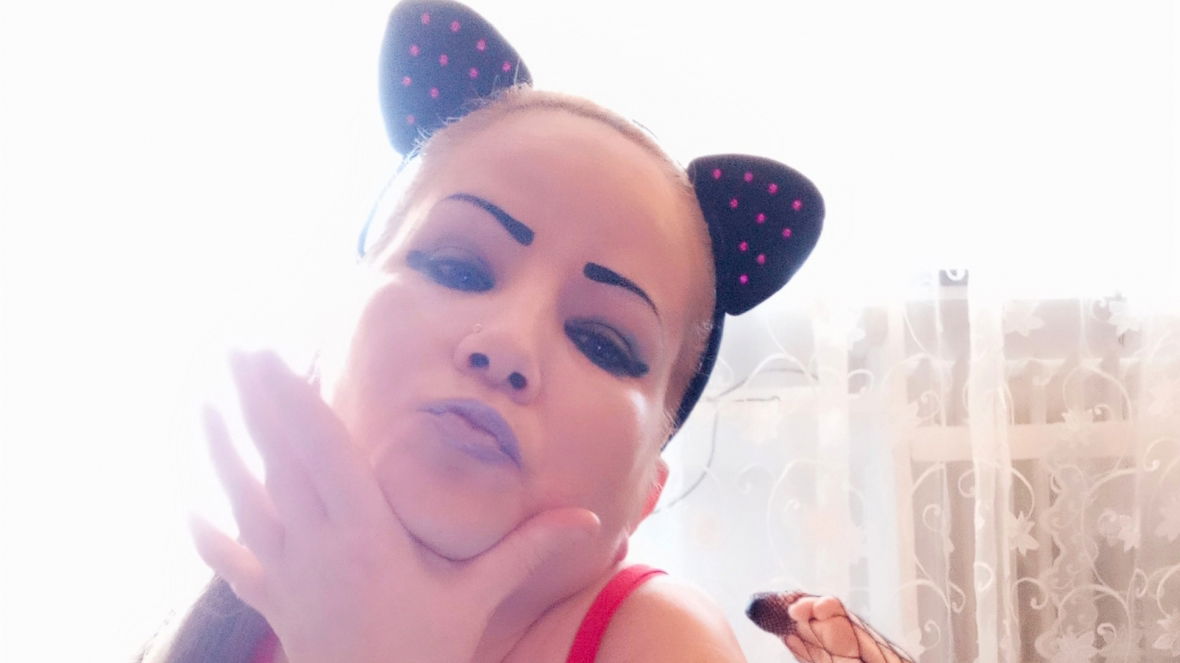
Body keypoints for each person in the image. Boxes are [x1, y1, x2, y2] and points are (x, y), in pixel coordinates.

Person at [138, 2, 910, 661]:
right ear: (330, 346)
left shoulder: (660, 639)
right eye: (457, 266)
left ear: (647, 492)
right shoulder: (241, 598)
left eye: (603, 342)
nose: (507, 344)